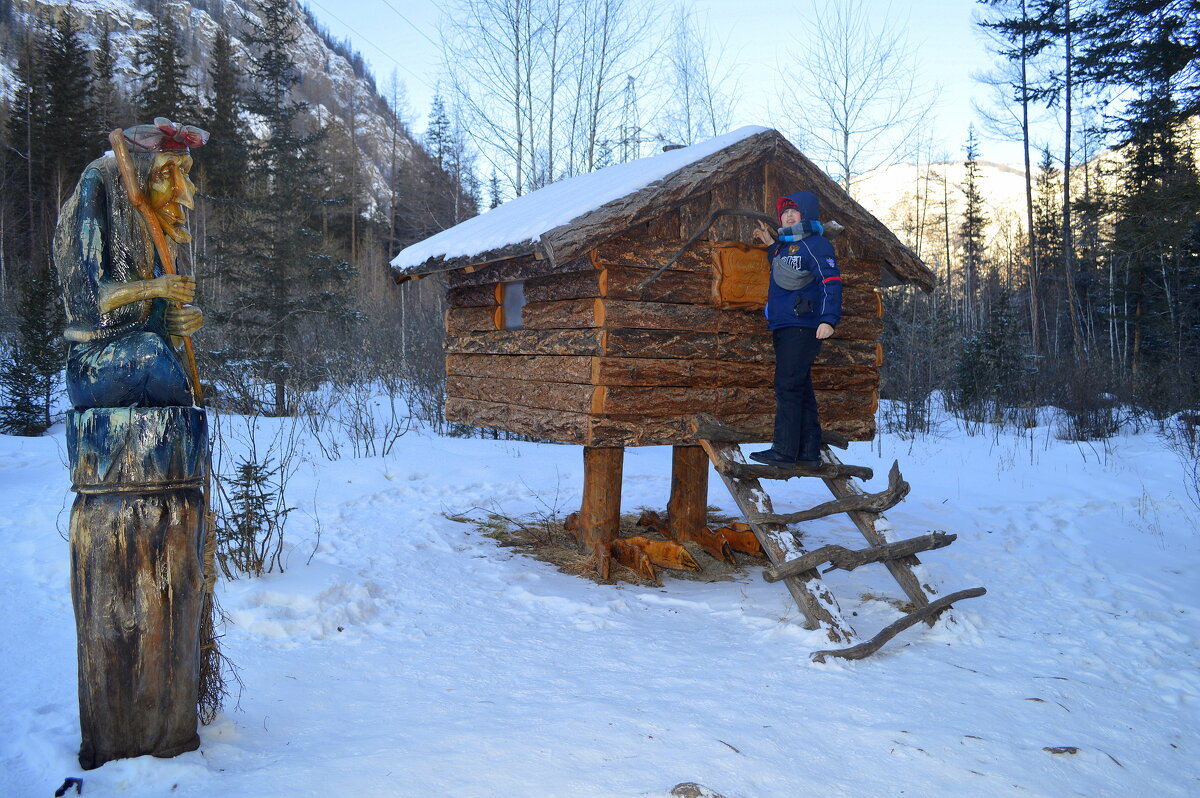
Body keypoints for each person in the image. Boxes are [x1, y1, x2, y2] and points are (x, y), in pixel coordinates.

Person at [55, 119, 207, 409]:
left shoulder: (157, 231)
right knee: (150, 353)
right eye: (166, 172)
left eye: (184, 172)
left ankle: (184, 432)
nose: (185, 192)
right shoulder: (99, 187)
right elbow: (92, 299)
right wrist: (155, 287)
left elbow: (160, 326)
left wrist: (177, 324)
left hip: (148, 358)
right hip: (95, 366)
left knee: (156, 354)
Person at [748, 190, 841, 467]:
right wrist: (768, 244)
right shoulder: (786, 245)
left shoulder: (817, 244)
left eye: (794, 211)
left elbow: (831, 282)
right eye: (785, 212)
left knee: (787, 385)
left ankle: (785, 451)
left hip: (804, 325)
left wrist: (828, 320)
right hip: (784, 325)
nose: (788, 216)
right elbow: (784, 269)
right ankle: (808, 453)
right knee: (800, 386)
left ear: (807, 215)